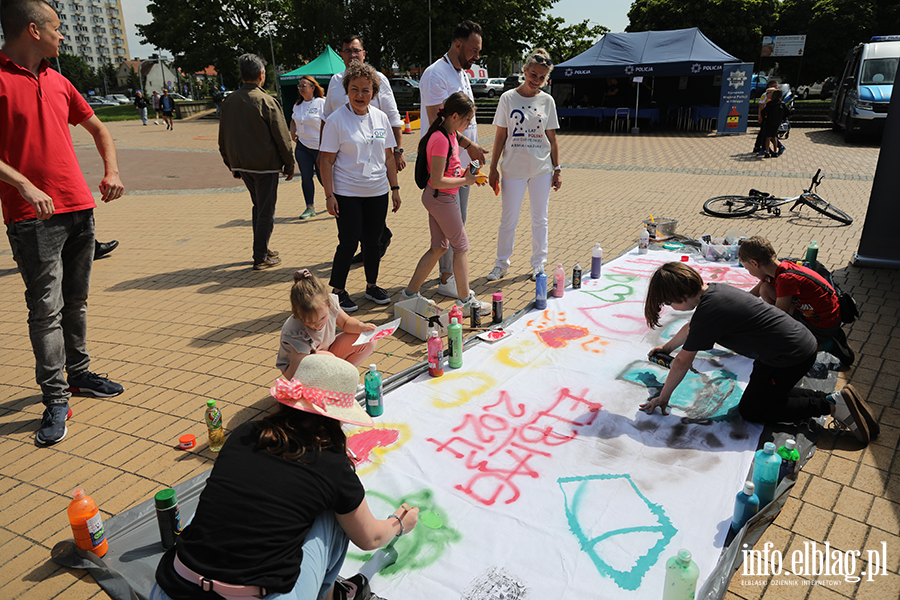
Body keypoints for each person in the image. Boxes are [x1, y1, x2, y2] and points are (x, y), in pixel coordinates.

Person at [151, 354, 419, 600]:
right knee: (337, 513)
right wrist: (398, 523)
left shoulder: (244, 433)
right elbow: (369, 538)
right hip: (250, 595)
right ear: (338, 417)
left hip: (171, 585)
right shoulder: (330, 465)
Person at [0, 0, 125, 446]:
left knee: (77, 301)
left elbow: (100, 130)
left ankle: (80, 373)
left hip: (78, 208)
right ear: (33, 30)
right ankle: (55, 398)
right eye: (56, 28)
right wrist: (24, 186)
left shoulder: (58, 79)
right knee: (45, 310)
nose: (62, 35)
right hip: (33, 217)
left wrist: (111, 171)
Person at [641, 262, 878, 445]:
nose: (672, 308)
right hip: (791, 345)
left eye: (670, 303)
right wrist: (667, 348)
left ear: (682, 298)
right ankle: (833, 398)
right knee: (766, 393)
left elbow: (683, 362)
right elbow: (692, 329)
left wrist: (663, 397)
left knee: (752, 410)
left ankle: (831, 407)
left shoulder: (709, 311)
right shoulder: (714, 293)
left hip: (789, 355)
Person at [319, 61, 402, 313]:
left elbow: (388, 156)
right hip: (347, 193)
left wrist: (395, 188)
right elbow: (326, 160)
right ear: (346, 90)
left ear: (374, 93)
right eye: (354, 89)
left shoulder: (380, 118)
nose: (360, 95)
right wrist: (329, 195)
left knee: (373, 241)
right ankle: (338, 290)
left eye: (366, 90)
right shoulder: (336, 120)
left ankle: (372, 285)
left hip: (377, 191)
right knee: (348, 241)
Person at [399, 92, 489, 311]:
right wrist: (466, 180)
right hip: (441, 198)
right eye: (468, 120)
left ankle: (408, 295)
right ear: (455, 116)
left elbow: (447, 172)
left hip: (438, 197)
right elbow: (437, 180)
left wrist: (468, 175)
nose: (469, 125)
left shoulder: (449, 134)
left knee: (439, 247)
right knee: (461, 246)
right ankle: (465, 301)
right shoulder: (441, 139)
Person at [419, 19, 487, 298]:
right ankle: (448, 279)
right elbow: (440, 124)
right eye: (473, 49)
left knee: (454, 225)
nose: (476, 56)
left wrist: (471, 153)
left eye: (478, 51)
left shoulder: (463, 74)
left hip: (460, 164)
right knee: (454, 231)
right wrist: (469, 144)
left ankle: (433, 282)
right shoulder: (436, 75)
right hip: (444, 165)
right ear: (458, 44)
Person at [323, 33, 403, 264]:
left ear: (364, 53)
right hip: (341, 160)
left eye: (356, 50)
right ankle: (375, 237)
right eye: (347, 51)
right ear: (341, 55)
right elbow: (327, 117)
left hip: (373, 157)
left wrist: (397, 151)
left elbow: (392, 117)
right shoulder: (335, 82)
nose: (352, 55)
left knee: (366, 210)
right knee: (349, 210)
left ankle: (376, 240)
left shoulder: (378, 79)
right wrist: (323, 152)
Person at [487, 48, 562, 282]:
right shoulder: (508, 98)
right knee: (508, 219)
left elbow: (552, 138)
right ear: (525, 70)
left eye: (542, 77)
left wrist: (557, 169)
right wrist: (492, 168)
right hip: (512, 170)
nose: (536, 80)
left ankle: (539, 264)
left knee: (540, 219)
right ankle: (501, 264)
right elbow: (500, 136)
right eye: (533, 74)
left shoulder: (547, 101)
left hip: (541, 169)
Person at [219, 53, 295, 271]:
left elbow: (222, 136)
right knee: (265, 211)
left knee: (259, 207)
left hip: (242, 164)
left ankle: (262, 247)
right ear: (261, 75)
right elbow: (282, 137)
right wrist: (289, 165)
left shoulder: (229, 101)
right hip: (265, 165)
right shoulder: (266, 101)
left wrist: (230, 163)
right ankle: (260, 256)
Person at [738, 236, 854, 366]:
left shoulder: (786, 279)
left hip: (823, 324)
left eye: (747, 269)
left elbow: (778, 316)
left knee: (784, 347)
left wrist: (755, 327)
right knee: (765, 289)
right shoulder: (779, 267)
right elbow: (759, 289)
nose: (749, 272)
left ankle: (830, 344)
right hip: (816, 313)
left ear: (755, 263)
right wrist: (738, 304)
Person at [276, 269, 378, 379]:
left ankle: (345, 378)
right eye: (310, 322)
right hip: (297, 366)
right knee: (329, 358)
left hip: (326, 352)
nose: (318, 325)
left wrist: (361, 326)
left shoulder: (330, 302)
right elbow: (295, 374)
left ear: (328, 303)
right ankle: (336, 381)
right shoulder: (296, 331)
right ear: (298, 315)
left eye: (323, 317)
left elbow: (345, 322)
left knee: (369, 339)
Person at [291, 76, 326, 220]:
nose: (301, 88)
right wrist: (292, 132)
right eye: (299, 86)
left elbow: (328, 122)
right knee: (306, 177)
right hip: (302, 147)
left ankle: (337, 199)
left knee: (323, 177)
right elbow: (293, 120)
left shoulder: (321, 103)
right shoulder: (297, 105)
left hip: (319, 147)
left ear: (313, 87)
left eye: (304, 85)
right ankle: (309, 207)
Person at [761, 89, 786, 158]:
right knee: (774, 136)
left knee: (768, 137)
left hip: (769, 122)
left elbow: (763, 111)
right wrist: (782, 118)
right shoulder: (782, 104)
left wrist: (764, 118)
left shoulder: (770, 104)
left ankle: (767, 152)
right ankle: (775, 151)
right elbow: (787, 112)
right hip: (777, 122)